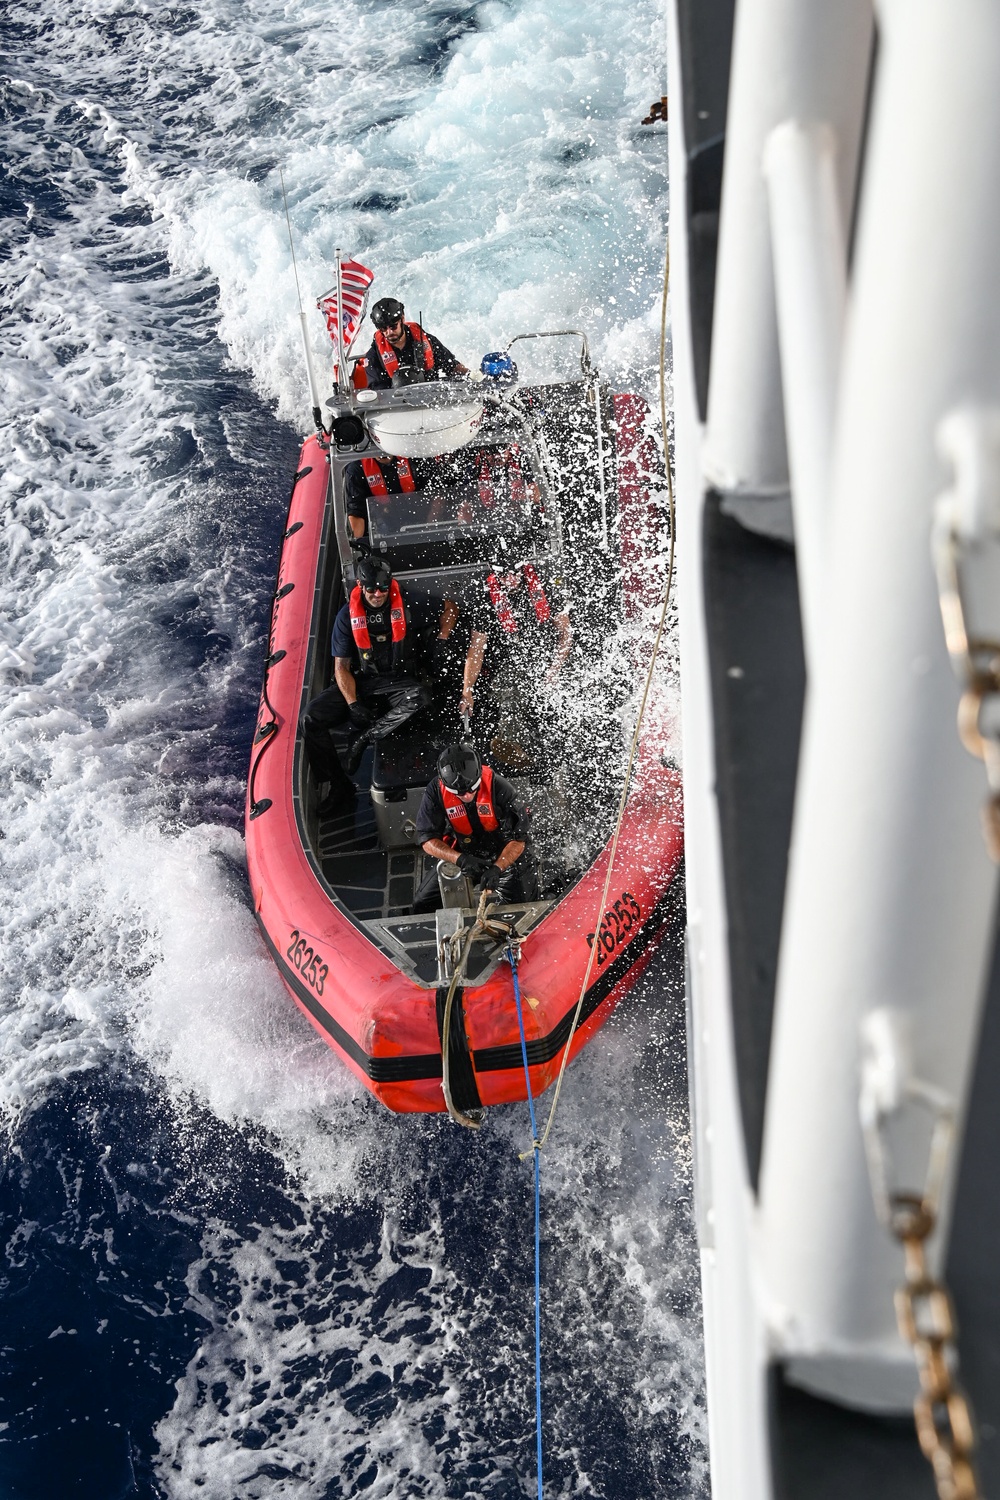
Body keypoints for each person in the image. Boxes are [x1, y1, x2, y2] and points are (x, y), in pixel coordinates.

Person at [301, 556, 457, 791]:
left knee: (422, 697)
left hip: (399, 681)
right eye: (372, 589)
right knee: (310, 718)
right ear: (361, 587)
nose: (378, 594)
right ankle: (337, 785)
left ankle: (363, 739)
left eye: (383, 588)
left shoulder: (409, 602)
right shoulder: (345, 617)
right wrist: (353, 704)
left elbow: (450, 607)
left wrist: (442, 638)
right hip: (361, 683)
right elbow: (341, 667)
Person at [412, 743, 534, 914]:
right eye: (459, 793)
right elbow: (427, 839)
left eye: (471, 789)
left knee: (525, 908)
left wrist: (496, 869)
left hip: (504, 854)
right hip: (464, 854)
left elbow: (519, 840)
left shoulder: (501, 788)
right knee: (422, 903)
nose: (467, 795)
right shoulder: (434, 791)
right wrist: (460, 859)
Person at [362, 298, 468, 389]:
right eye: (384, 328)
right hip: (397, 407)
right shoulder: (373, 357)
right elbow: (379, 393)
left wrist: (472, 376)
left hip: (431, 399)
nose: (389, 332)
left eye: (393, 326)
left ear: (402, 319)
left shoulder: (427, 341)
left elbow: (452, 367)